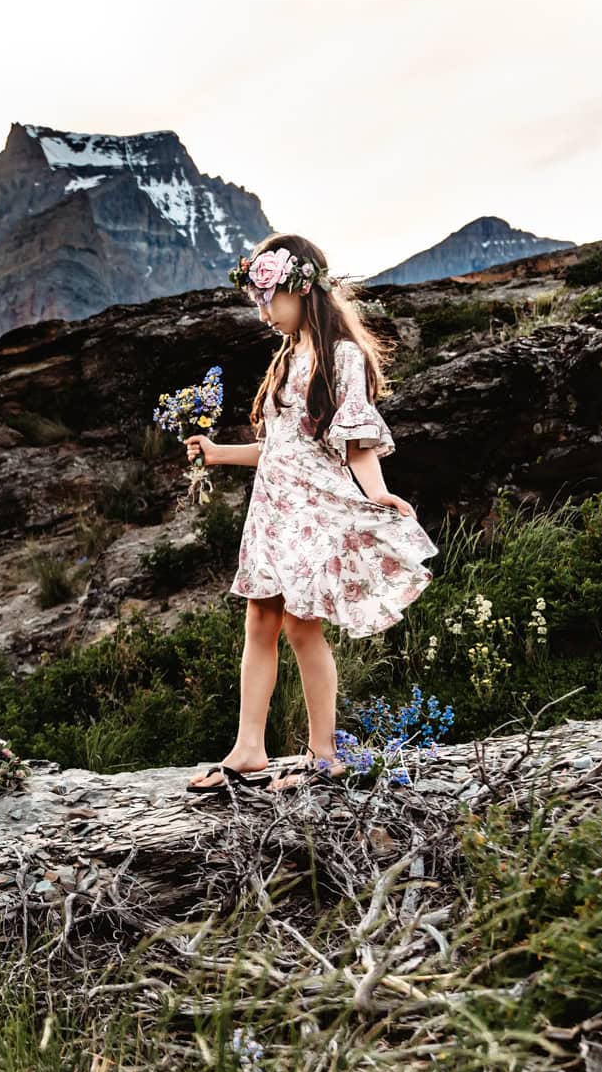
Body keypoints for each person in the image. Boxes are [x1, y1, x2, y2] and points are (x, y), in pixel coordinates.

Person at [184, 235, 436, 794]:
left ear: (302, 288)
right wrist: (219, 453)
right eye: (258, 300)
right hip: (272, 511)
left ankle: (324, 754)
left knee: (302, 627)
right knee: (260, 622)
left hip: (313, 509)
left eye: (269, 297)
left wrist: (376, 494)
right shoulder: (286, 357)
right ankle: (249, 748)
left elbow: (357, 438)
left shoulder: (340, 354)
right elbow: (277, 447)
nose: (263, 311)